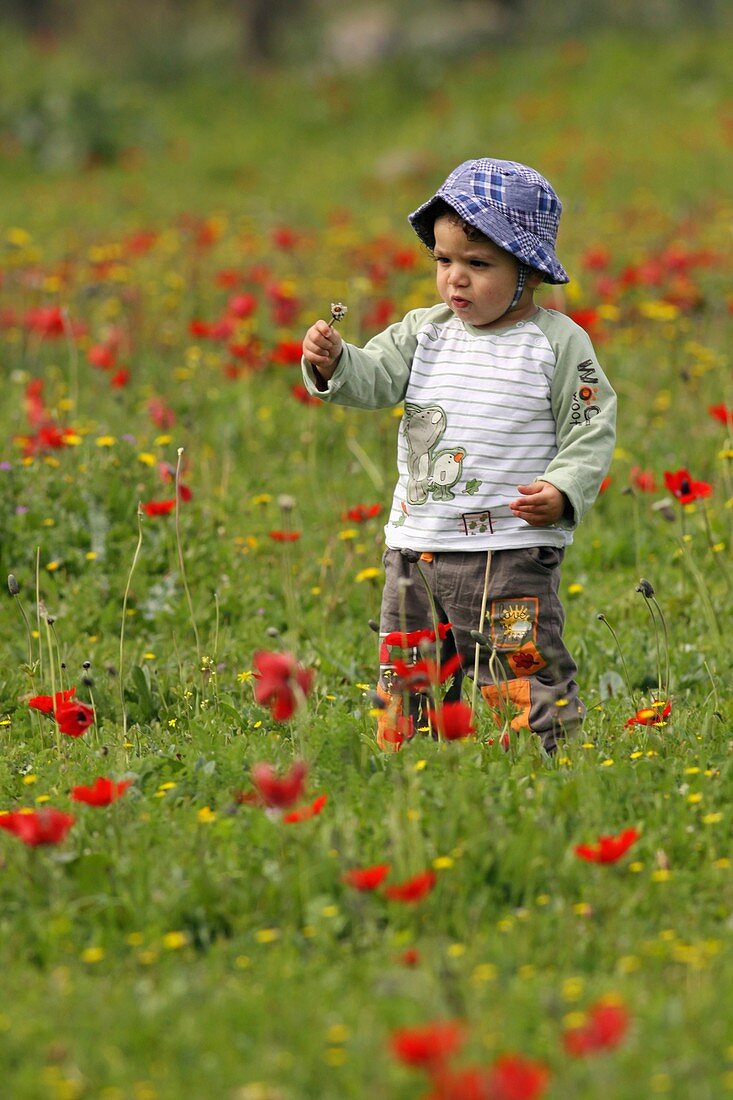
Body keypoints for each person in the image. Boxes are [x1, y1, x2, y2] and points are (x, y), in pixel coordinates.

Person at [301, 157, 616, 754]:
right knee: (409, 673)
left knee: (520, 670)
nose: (455, 280)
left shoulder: (555, 342)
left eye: (478, 264)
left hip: (509, 553)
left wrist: (566, 489)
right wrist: (335, 362)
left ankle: (540, 765)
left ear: (529, 272)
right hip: (415, 549)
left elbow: (590, 423)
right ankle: (412, 769)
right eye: (443, 261)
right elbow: (374, 377)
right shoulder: (425, 331)